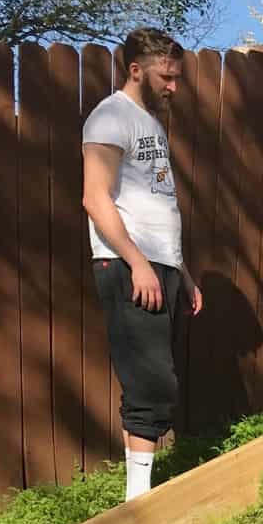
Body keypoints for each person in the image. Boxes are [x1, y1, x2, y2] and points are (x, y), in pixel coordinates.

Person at [81, 27, 203, 500]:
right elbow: (95, 199)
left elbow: (158, 205)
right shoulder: (110, 118)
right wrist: (138, 264)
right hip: (129, 266)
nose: (173, 86)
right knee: (149, 379)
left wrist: (182, 273)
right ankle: (138, 499)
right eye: (166, 76)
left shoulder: (149, 124)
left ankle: (142, 491)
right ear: (136, 70)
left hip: (159, 266)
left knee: (157, 376)